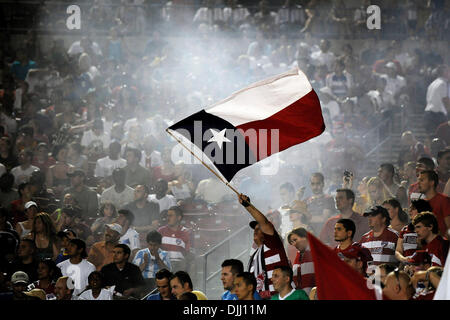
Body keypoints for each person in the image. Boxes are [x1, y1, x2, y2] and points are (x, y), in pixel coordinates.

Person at [239, 194, 290, 299]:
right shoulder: (254, 254)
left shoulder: (273, 244)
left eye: (259, 228)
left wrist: (247, 205)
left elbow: (265, 223)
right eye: (254, 229)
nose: (255, 231)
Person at [158, 206, 192, 272]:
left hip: (180, 266)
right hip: (163, 264)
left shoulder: (186, 232)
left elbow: (189, 254)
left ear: (179, 218)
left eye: (171, 216)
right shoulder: (161, 231)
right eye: (167, 216)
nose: (168, 218)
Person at [417, 170, 450, 237]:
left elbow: (449, 227)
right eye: (418, 180)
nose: (418, 183)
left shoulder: (443, 200)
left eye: (422, 180)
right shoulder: (421, 203)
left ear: (432, 183)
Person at [287, 227, 315, 295]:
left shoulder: (316, 252)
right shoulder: (299, 255)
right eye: (292, 242)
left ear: (305, 237)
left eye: (295, 240)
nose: (294, 244)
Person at [424, 65, 450, 133]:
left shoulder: (432, 84)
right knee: (441, 139)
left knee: (432, 139)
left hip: (428, 114)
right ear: (445, 73)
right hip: (437, 116)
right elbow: (445, 100)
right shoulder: (442, 83)